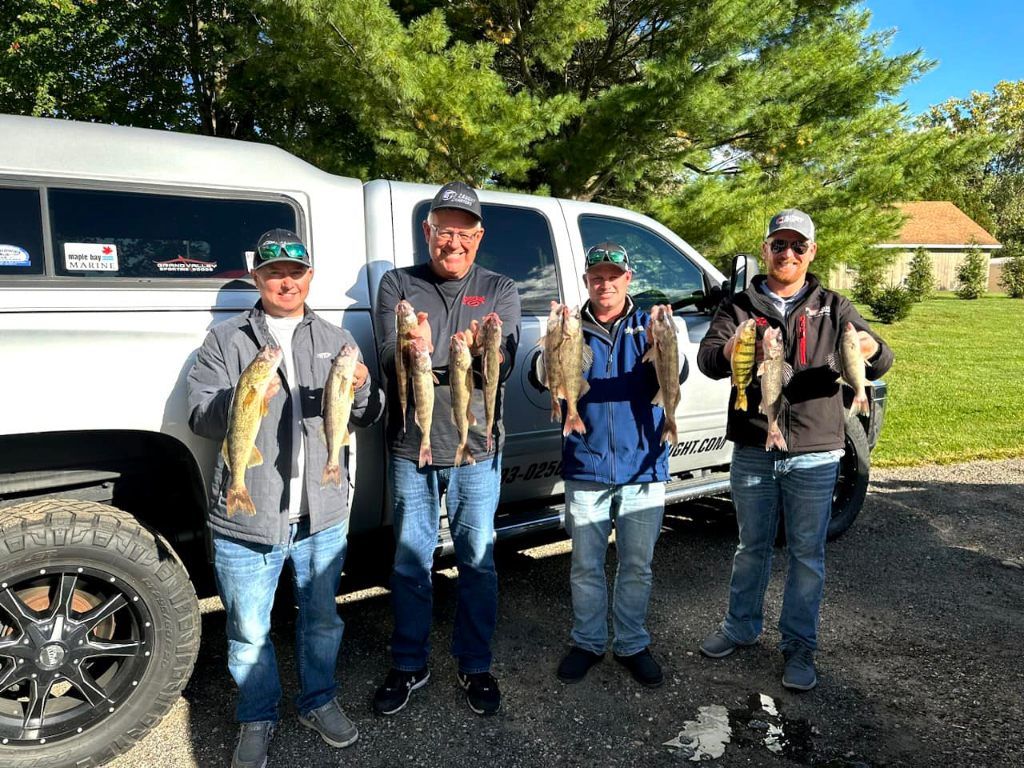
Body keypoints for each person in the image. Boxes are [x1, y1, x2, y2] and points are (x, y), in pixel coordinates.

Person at [187, 229, 384, 768]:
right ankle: (257, 716)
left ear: (308, 278)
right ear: (258, 278)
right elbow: (199, 416)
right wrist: (241, 397)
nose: (285, 281)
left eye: (295, 273)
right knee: (249, 632)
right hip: (248, 517)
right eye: (274, 272)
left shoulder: (337, 338)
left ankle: (318, 701)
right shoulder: (226, 341)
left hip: (322, 511)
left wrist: (363, 385)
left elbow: (366, 416)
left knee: (322, 619)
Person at [696, 209, 893, 691]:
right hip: (753, 444)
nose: (787, 254)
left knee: (807, 554)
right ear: (764, 249)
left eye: (797, 246)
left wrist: (868, 348)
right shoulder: (740, 306)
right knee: (750, 547)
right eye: (778, 245)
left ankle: (799, 647)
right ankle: (740, 628)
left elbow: (882, 355)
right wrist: (733, 350)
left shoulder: (834, 306)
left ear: (812, 252)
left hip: (816, 449)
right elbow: (707, 360)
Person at [371, 181, 522, 716]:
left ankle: (475, 662)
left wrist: (484, 348)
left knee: (478, 562)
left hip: (477, 447)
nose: (452, 242)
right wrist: (417, 346)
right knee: (412, 561)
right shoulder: (397, 285)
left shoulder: (500, 287)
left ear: (478, 236)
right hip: (412, 447)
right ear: (427, 231)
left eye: (464, 231)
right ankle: (410, 663)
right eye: (443, 230)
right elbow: (391, 354)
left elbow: (500, 362)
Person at [538, 242, 673, 688]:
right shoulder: (570, 324)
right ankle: (588, 641)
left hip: (643, 466)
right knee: (585, 564)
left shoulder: (648, 323)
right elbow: (543, 377)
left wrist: (662, 340)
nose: (605, 282)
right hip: (586, 462)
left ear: (628, 279)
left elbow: (680, 371)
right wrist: (552, 341)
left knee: (637, 564)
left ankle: (632, 642)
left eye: (614, 275)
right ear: (586, 281)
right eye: (597, 275)